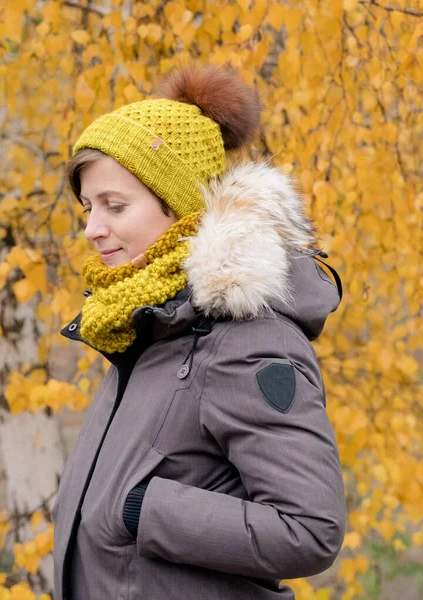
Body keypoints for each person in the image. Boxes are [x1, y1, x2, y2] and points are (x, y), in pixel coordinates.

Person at [52, 63, 346, 600]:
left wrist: (146, 509)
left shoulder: (247, 342)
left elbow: (310, 529)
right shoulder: (144, 331)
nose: (93, 228)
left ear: (181, 206)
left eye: (115, 206)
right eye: (89, 207)